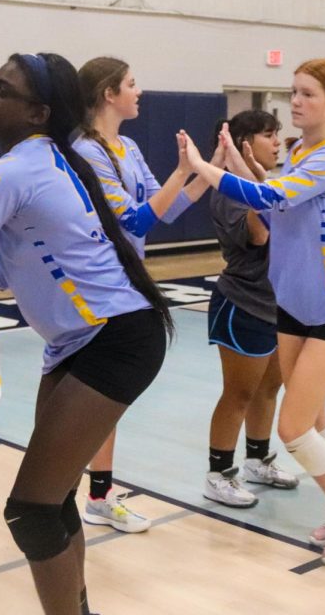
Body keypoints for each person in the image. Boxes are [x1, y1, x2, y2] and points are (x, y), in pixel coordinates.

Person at [0, 53, 175, 614]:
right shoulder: (44, 162)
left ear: (37, 111)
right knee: (52, 501)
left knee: (31, 511)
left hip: (116, 338)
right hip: (87, 340)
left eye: (2, 89)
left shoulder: (14, 171)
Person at [183, 58, 325, 565]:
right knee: (318, 422)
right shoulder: (302, 153)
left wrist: (206, 169)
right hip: (292, 308)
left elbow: (271, 196)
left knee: (293, 428)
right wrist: (240, 167)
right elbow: (273, 207)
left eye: (308, 94)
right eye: (295, 92)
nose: (297, 101)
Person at [72, 57, 215, 531]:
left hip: (128, 284)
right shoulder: (88, 152)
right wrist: (180, 171)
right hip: (102, 287)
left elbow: (168, 210)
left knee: (109, 396)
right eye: (131, 84)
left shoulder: (128, 145)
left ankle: (96, 494)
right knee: (101, 394)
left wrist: (204, 171)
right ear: (109, 94)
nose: (139, 91)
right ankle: (90, 494)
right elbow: (133, 220)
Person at [200, 109, 299, 507]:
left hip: (276, 305)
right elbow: (259, 236)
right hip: (242, 304)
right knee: (238, 394)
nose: (278, 142)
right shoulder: (228, 192)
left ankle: (258, 459)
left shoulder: (268, 184)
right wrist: (260, 188)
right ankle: (218, 473)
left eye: (278, 135)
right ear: (244, 145)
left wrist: (266, 184)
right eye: (268, 135)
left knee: (269, 388)